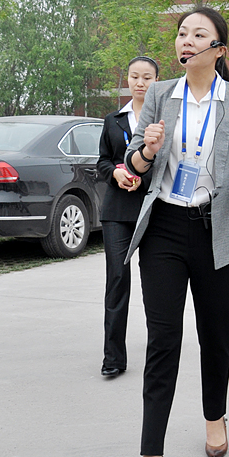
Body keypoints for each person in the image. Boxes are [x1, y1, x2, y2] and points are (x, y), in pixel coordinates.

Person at [122, 7, 229, 457]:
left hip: (216, 229)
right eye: (182, 33)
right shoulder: (160, 94)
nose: (186, 41)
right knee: (163, 339)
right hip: (163, 227)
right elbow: (134, 161)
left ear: (219, 49)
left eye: (198, 34)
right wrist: (147, 150)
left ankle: (214, 416)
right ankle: (151, 456)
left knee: (214, 332)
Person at [97, 56, 156, 379]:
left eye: (147, 77)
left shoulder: (164, 121)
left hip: (154, 210)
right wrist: (116, 173)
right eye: (134, 76)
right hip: (117, 211)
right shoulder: (113, 120)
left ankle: (158, 354)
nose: (140, 83)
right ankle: (113, 357)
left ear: (156, 81)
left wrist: (141, 180)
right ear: (128, 80)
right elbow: (103, 161)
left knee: (156, 284)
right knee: (118, 280)